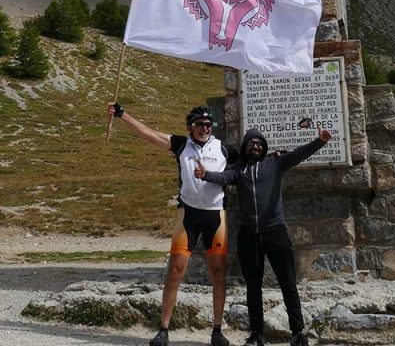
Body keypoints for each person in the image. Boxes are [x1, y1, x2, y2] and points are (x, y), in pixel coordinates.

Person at [108, 103, 234, 346]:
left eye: (208, 125)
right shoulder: (181, 145)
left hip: (216, 215)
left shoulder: (223, 148)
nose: (204, 128)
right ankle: (164, 329)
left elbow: (249, 160)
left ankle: (217, 331)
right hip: (188, 215)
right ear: (190, 127)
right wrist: (123, 115)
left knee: (218, 273)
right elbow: (148, 133)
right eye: (199, 125)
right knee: (175, 270)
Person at [194, 126, 332, 346]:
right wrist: (205, 175)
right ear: (245, 147)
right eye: (251, 143)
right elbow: (224, 176)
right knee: (253, 287)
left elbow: (298, 154)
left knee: (288, 283)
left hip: (275, 232)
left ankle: (297, 333)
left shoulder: (275, 163)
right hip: (249, 235)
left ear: (264, 147)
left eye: (259, 143)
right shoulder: (239, 171)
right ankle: (257, 334)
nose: (255, 146)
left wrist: (320, 141)